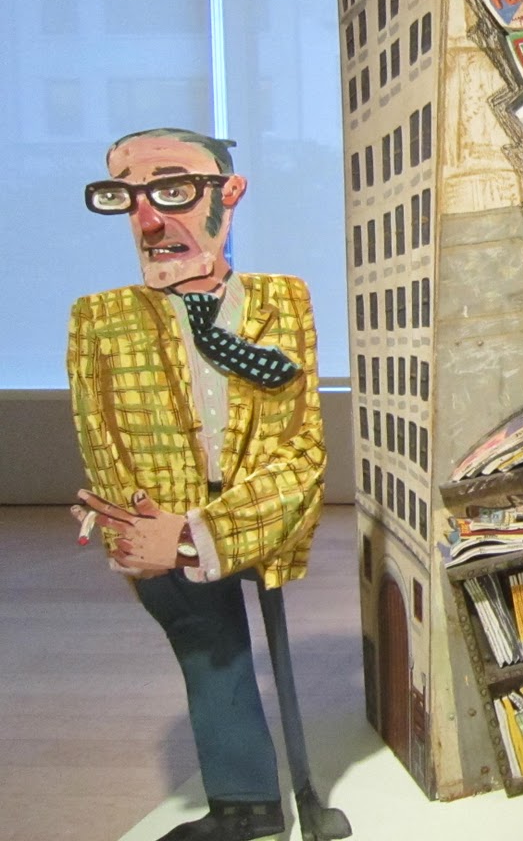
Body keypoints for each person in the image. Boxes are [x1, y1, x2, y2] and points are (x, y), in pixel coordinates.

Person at [68, 127, 327, 841]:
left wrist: (194, 535)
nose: (149, 220)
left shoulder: (281, 302)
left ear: (228, 193)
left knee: (259, 637)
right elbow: (100, 436)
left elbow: (301, 447)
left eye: (173, 190)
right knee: (207, 649)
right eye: (125, 197)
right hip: (154, 521)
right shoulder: (100, 320)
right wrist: (133, 527)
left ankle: (301, 792)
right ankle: (247, 805)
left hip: (249, 513)